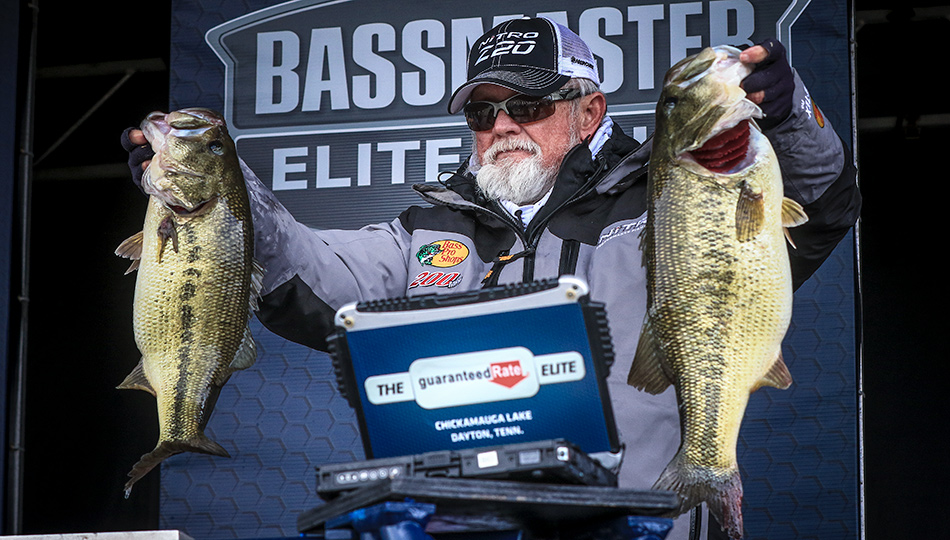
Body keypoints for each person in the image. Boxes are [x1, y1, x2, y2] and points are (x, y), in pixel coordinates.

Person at [122, 17, 860, 539]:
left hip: (643, 526)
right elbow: (308, 280)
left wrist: (789, 116)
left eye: (528, 105)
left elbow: (821, 207)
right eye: (483, 112)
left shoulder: (671, 195)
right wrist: (218, 195)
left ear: (589, 111)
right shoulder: (429, 228)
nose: (502, 125)